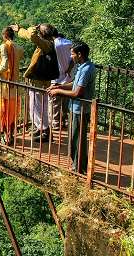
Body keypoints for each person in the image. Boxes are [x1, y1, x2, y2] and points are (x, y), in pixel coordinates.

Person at [48, 42, 96, 174]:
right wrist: (58, 86)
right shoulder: (83, 67)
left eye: (72, 54)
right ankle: (78, 166)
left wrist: (58, 92)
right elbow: (74, 85)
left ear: (80, 54)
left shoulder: (86, 70)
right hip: (75, 108)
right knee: (74, 139)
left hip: (80, 109)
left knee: (77, 140)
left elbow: (77, 93)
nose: (71, 57)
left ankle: (79, 168)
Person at [9, 23, 57, 141]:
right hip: (41, 78)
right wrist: (19, 29)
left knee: (37, 105)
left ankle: (45, 132)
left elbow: (31, 36)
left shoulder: (47, 44)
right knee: (38, 105)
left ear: (42, 33)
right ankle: (40, 128)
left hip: (39, 79)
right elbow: (29, 35)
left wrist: (33, 28)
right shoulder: (47, 42)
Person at [0, 26, 25, 146]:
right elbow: (17, 59)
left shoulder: (4, 46)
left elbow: (4, 66)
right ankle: (12, 136)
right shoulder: (19, 48)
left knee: (2, 113)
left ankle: (6, 137)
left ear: (4, 35)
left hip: (4, 86)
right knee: (12, 113)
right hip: (14, 85)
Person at [49, 28, 73, 130]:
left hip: (56, 78)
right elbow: (73, 58)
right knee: (66, 101)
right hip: (69, 77)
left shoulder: (53, 45)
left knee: (55, 102)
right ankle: (65, 121)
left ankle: (55, 123)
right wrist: (69, 69)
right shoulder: (69, 43)